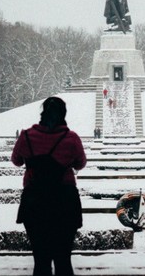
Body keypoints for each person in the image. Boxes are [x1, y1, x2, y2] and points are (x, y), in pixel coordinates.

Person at [11, 96, 86, 276]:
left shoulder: (26, 136)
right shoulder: (71, 138)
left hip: (34, 201)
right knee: (63, 260)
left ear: (43, 113)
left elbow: (16, 161)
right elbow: (80, 164)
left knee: (41, 260)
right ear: (63, 114)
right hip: (65, 201)